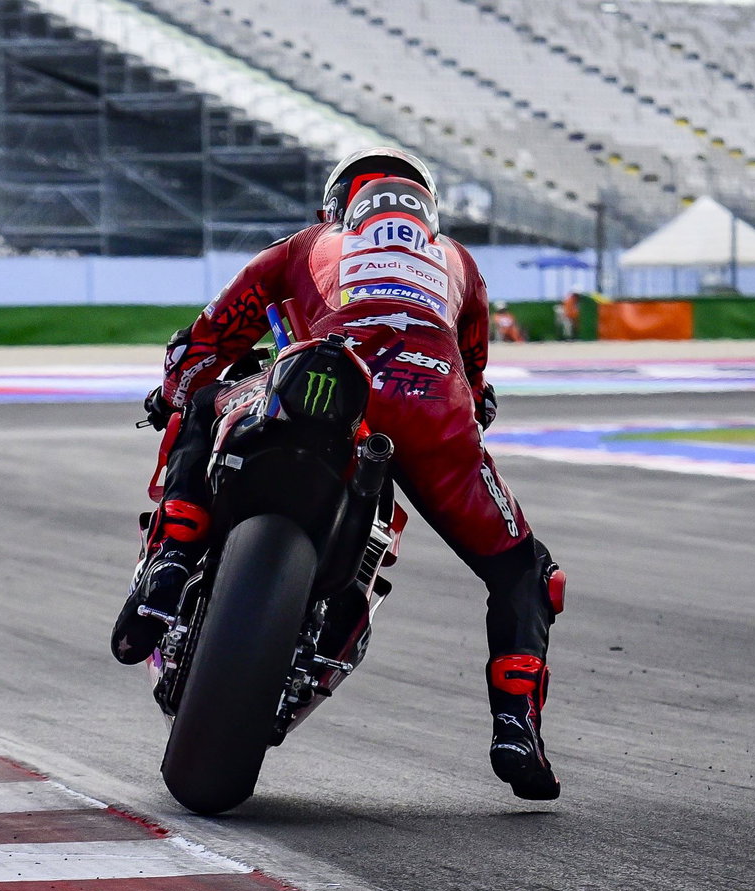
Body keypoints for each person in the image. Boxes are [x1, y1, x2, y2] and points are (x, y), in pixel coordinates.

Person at [110, 147, 564, 800]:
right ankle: (516, 727)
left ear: (338, 206)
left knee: (207, 406)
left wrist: (172, 394)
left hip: (324, 375)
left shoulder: (307, 244)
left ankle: (173, 557)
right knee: (526, 572)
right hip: (431, 401)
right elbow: (477, 383)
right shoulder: (459, 262)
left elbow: (202, 345)